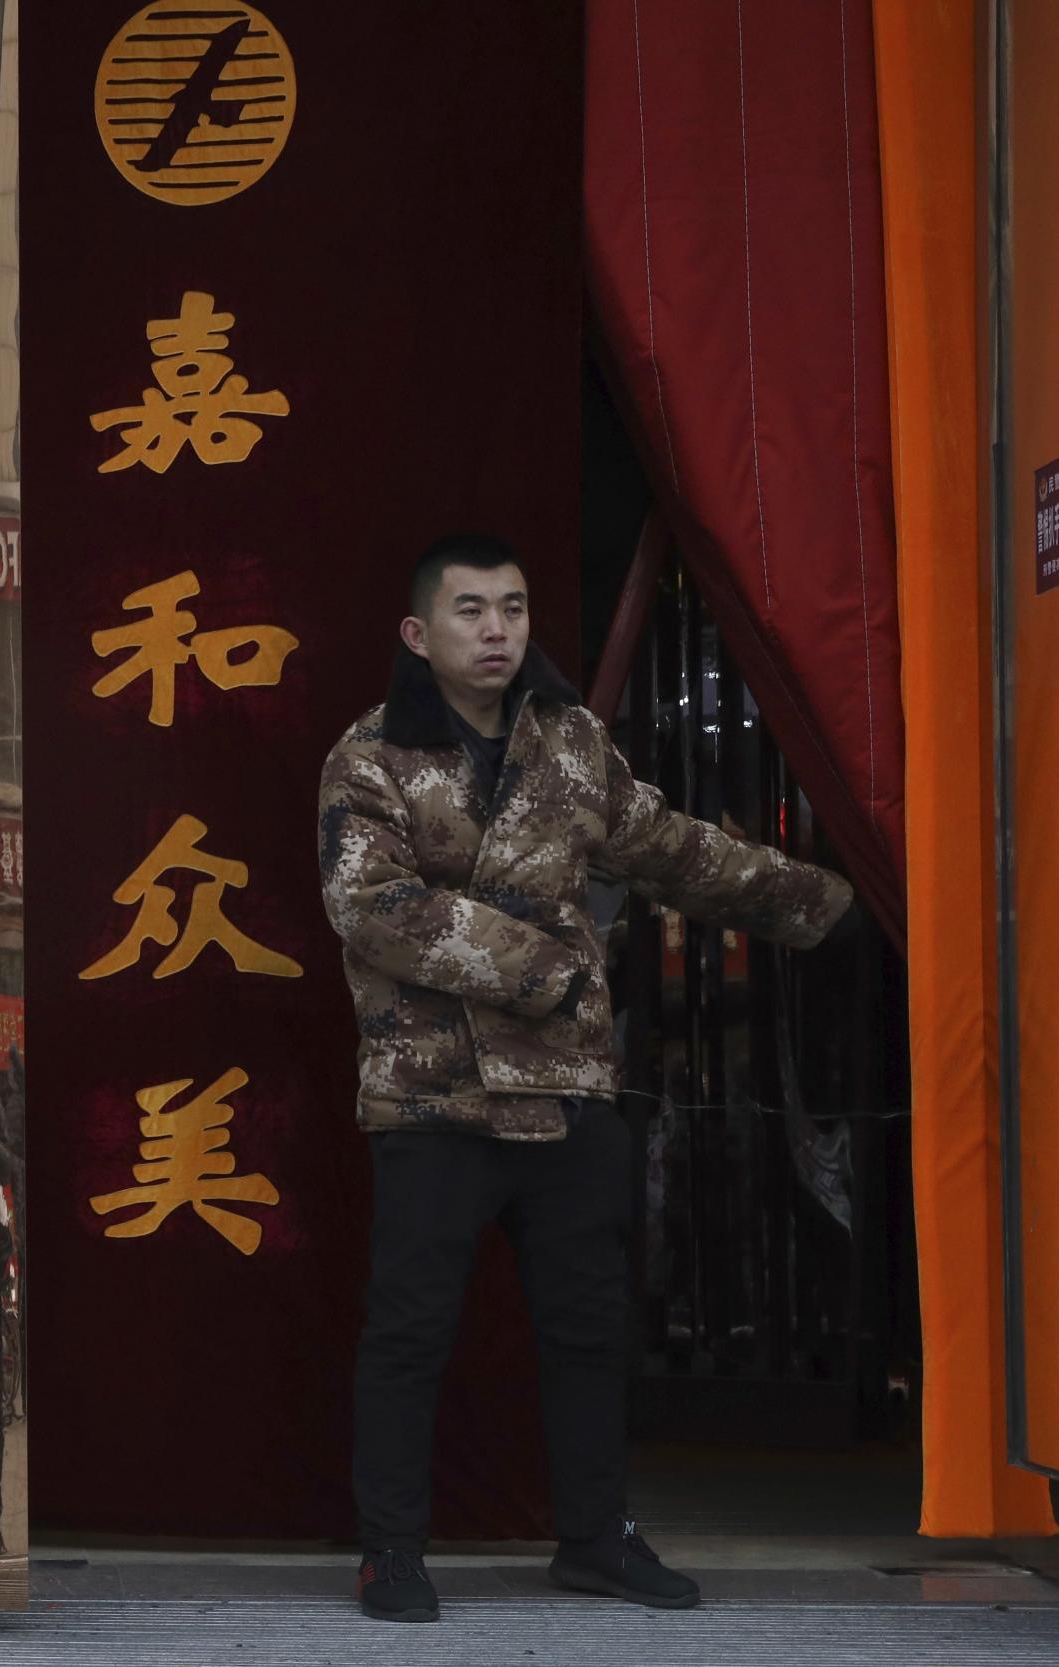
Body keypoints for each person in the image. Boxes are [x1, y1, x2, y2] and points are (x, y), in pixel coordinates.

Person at [316, 533, 853, 1622]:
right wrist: (548, 971)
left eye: (511, 607)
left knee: (588, 1325)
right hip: (433, 1092)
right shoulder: (369, 757)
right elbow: (372, 908)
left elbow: (671, 848)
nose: (497, 629)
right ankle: (390, 1549)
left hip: (564, 1092)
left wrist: (824, 903)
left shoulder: (570, 747)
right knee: (410, 1327)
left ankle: (595, 1536)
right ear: (419, 634)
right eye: (470, 611)